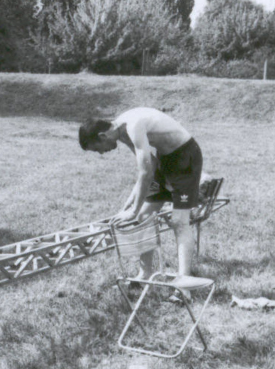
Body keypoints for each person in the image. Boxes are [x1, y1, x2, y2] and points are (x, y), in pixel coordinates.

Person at [79, 108, 203, 283]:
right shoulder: (121, 131)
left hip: (185, 158)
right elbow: (150, 165)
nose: (101, 153)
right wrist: (130, 204)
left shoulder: (133, 126)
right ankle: (145, 274)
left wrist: (133, 210)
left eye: (97, 149)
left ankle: (184, 283)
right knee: (144, 217)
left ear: (102, 136)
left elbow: (146, 173)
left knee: (179, 222)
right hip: (166, 159)